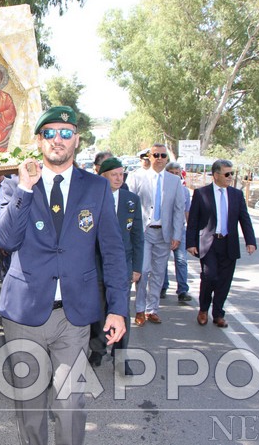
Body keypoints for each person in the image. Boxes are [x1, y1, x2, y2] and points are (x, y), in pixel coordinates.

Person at [0, 106, 129, 445]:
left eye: (66, 133)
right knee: (30, 406)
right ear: (39, 141)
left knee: (71, 404)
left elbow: (113, 252)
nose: (58, 139)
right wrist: (25, 189)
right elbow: (6, 241)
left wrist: (117, 308)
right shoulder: (17, 185)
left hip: (74, 316)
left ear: (77, 140)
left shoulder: (96, 187)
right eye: (50, 133)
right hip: (25, 315)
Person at [87, 157, 143, 376]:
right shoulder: (92, 198)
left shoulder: (131, 200)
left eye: (122, 174)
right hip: (97, 263)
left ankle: (121, 358)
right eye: (114, 175)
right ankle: (98, 349)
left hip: (123, 264)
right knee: (98, 308)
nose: (119, 178)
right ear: (103, 177)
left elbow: (138, 236)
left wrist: (137, 266)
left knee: (121, 310)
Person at [186, 159, 257, 327]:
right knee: (209, 277)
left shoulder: (236, 195)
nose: (230, 177)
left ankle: (218, 313)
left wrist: (250, 241)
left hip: (228, 243)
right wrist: (191, 243)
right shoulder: (201, 193)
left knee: (224, 281)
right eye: (227, 174)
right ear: (216, 175)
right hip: (209, 243)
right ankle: (203, 309)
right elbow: (193, 221)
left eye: (231, 173)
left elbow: (244, 219)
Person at [126, 144, 185, 326]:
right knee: (142, 271)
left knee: (159, 273)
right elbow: (129, 205)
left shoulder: (174, 181)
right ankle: (140, 310)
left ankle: (153, 309)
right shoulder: (137, 177)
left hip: (164, 234)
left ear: (167, 159)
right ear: (149, 157)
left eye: (163, 155)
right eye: (156, 155)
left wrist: (177, 234)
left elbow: (178, 209)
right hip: (144, 233)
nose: (159, 158)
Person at [160, 161, 193, 302]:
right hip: (164, 229)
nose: (174, 175)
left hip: (180, 230)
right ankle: (163, 286)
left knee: (181, 260)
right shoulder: (162, 189)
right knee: (163, 260)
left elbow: (186, 212)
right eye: (171, 173)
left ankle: (182, 290)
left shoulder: (185, 191)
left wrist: (191, 232)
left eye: (177, 173)